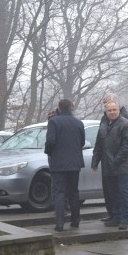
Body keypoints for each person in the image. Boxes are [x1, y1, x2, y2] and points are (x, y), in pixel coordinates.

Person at [92, 98, 128, 230]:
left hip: (122, 167)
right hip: (107, 166)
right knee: (111, 194)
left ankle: (124, 219)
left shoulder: (125, 124)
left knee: (122, 194)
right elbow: (99, 143)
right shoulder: (104, 124)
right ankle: (115, 217)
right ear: (106, 111)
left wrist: (116, 161)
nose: (112, 112)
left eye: (114, 110)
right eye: (109, 110)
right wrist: (95, 160)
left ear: (119, 110)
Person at [45, 99, 85, 232]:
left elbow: (50, 140)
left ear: (59, 108)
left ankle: (60, 223)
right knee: (74, 192)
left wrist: (49, 152)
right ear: (71, 107)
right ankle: (75, 221)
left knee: (59, 193)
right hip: (75, 163)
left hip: (58, 163)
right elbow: (82, 142)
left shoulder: (54, 122)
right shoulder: (79, 123)